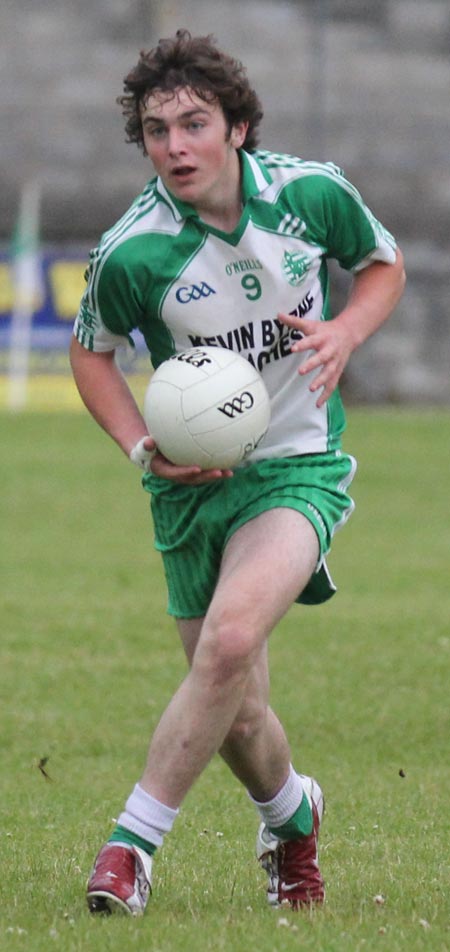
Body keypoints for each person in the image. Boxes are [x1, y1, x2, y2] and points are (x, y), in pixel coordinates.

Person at [70, 29, 406, 916]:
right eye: (156, 130)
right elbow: (91, 354)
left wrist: (346, 332)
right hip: (190, 487)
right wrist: (144, 447)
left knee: (224, 646)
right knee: (239, 712)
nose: (176, 146)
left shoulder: (309, 195)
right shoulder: (133, 250)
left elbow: (382, 264)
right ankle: (294, 820)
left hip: (298, 467)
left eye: (194, 124)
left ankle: (130, 848)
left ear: (239, 127)